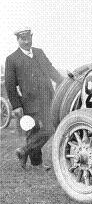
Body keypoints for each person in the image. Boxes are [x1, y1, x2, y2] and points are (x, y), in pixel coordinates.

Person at [5, 27, 63, 170]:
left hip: (48, 99)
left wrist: (63, 82)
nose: (26, 41)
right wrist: (16, 105)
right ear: (17, 40)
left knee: (51, 128)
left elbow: (51, 70)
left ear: (31, 37)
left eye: (28, 38)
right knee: (33, 131)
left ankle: (24, 151)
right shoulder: (12, 59)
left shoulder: (39, 52)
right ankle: (37, 163)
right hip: (29, 102)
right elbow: (10, 85)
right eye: (23, 39)